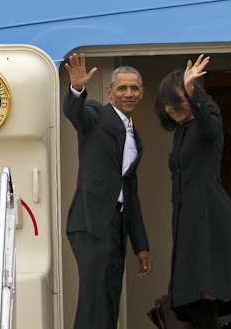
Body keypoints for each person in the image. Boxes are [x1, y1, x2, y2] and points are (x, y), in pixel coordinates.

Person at [154, 54, 231, 329]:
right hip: (187, 220)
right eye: (166, 104)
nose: (170, 109)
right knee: (188, 300)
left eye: (177, 101)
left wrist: (192, 91)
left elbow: (207, 125)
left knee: (203, 294)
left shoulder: (210, 123)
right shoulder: (181, 131)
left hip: (208, 216)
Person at [63, 53, 152, 329]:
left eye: (134, 88)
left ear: (141, 93)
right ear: (109, 91)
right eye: (122, 88)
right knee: (95, 298)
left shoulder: (134, 132)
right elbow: (75, 113)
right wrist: (76, 89)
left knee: (110, 295)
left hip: (116, 223)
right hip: (91, 221)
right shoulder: (96, 114)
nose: (128, 93)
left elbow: (130, 190)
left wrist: (141, 244)